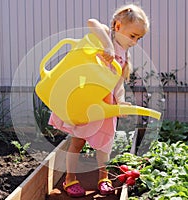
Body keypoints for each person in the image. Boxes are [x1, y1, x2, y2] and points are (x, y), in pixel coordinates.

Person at [48, 3, 150, 197]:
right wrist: (108, 46)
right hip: (88, 100)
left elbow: (118, 83)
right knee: (77, 141)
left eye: (139, 38)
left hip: (106, 104)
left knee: (104, 145)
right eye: (133, 36)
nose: (135, 42)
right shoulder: (104, 37)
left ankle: (103, 177)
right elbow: (92, 22)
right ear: (118, 27)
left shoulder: (124, 55)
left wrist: (120, 101)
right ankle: (70, 179)